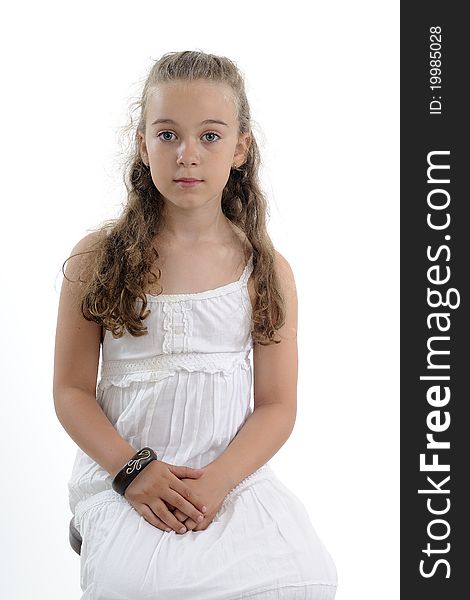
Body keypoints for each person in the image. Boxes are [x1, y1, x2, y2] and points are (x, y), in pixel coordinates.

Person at [53, 49, 338, 600]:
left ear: (240, 148)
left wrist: (219, 483)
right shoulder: (97, 258)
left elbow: (277, 405)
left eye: (210, 136)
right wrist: (133, 471)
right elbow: (69, 391)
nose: (187, 154)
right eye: (167, 135)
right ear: (142, 144)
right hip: (127, 474)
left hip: (228, 477)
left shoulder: (266, 269)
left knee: (307, 575)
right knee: (138, 588)